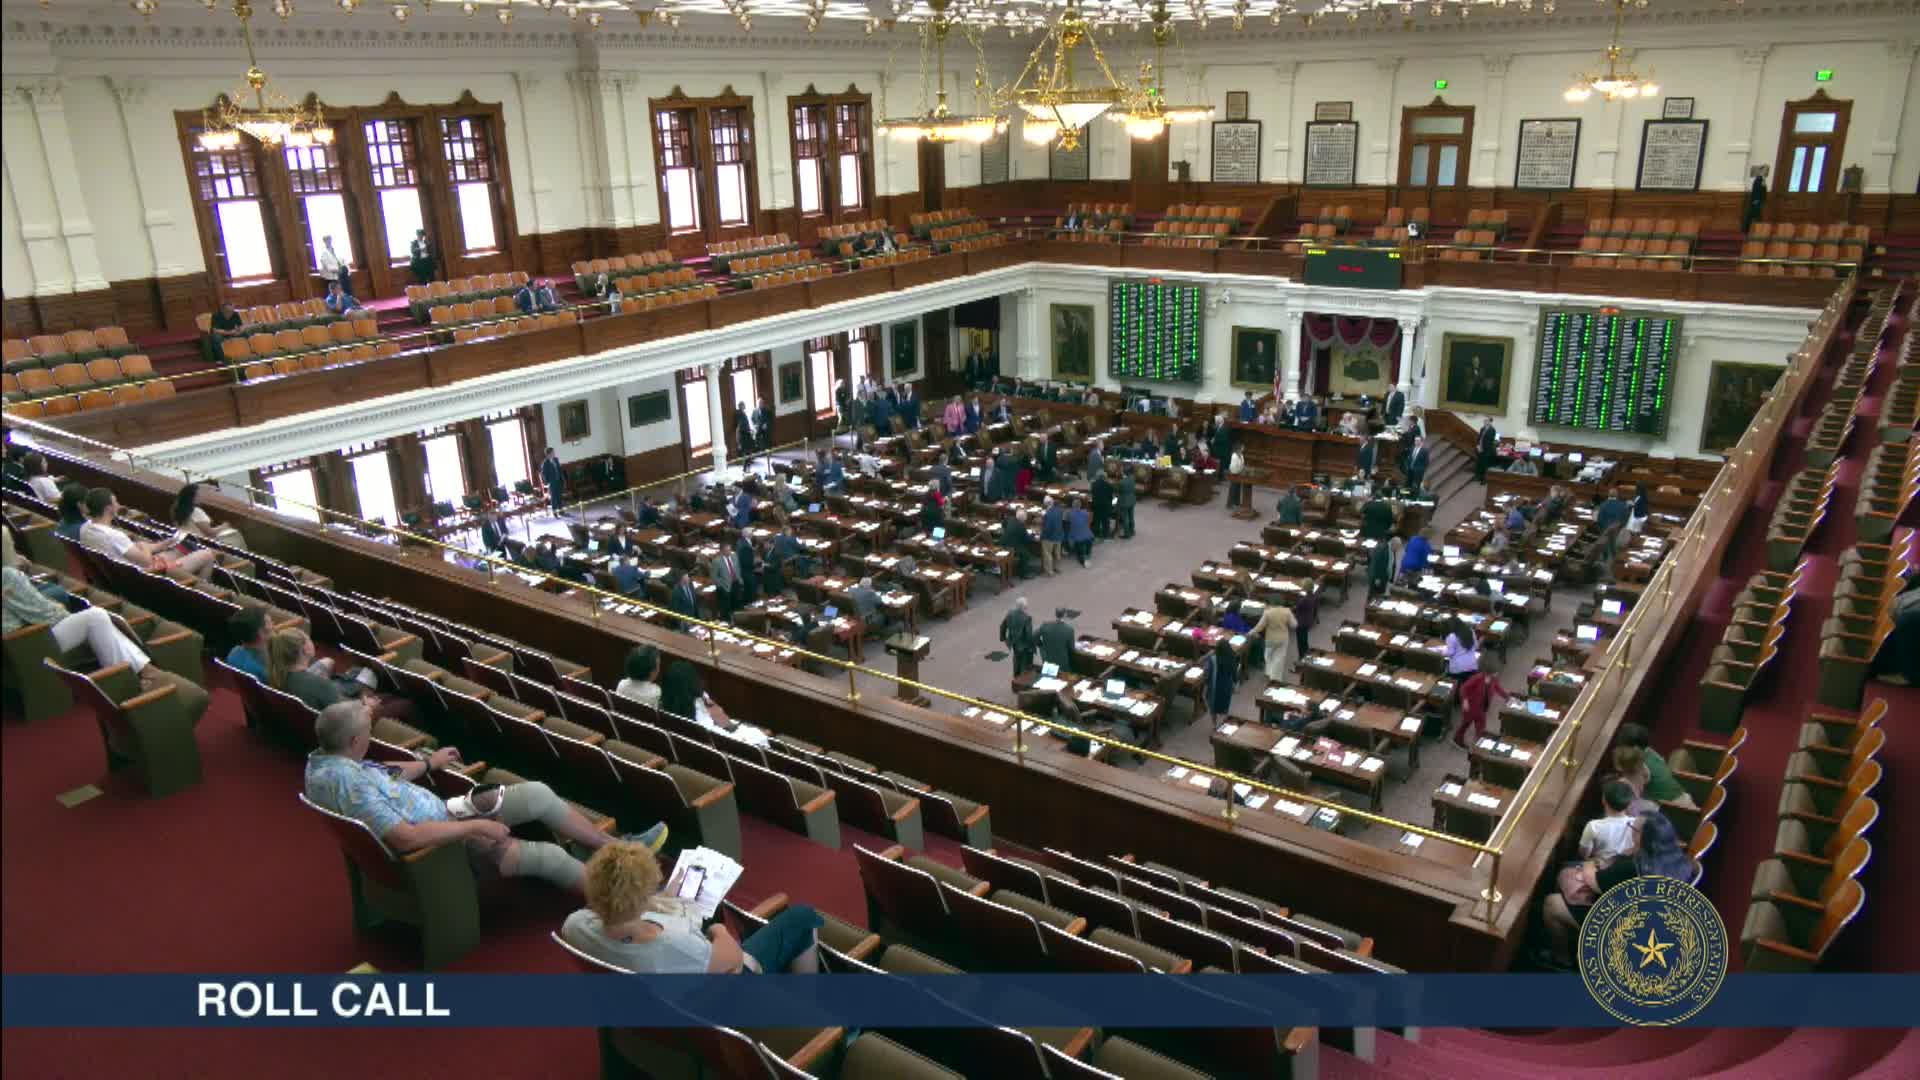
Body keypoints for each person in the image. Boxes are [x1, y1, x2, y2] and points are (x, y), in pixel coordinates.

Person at [306, 699, 664, 893]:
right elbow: (405, 838)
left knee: (538, 794)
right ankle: (627, 899)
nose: (370, 737)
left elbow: (386, 775)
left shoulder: (324, 764)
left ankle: (613, 846)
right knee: (551, 856)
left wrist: (429, 763)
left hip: (444, 813)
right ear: (354, 742)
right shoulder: (349, 784)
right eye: (367, 733)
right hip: (440, 849)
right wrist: (474, 826)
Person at [3, 529, 210, 724]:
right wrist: (56, 604)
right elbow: (49, 615)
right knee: (96, 617)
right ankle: (141, 675)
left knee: (99, 620)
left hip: (15, 642)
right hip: (26, 643)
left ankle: (143, 672)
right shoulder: (8, 576)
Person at [563, 840, 824, 974]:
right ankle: (805, 1018)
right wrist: (719, 931)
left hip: (646, 1008)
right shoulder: (674, 944)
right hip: (723, 999)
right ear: (640, 898)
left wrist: (665, 899)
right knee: (803, 917)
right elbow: (731, 959)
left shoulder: (574, 925)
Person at [1538, 809, 1691, 970]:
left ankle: (1561, 960)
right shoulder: (1675, 857)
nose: (1631, 832)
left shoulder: (1634, 867)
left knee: (1552, 904)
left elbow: (1594, 882)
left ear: (1643, 838)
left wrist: (1590, 863)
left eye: (1633, 829)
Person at [80, 488, 217, 581]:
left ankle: (189, 577)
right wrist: (144, 547)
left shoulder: (85, 528)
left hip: (125, 572)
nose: (118, 505)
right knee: (208, 554)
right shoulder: (114, 536)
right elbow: (146, 562)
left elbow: (133, 551)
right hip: (149, 576)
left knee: (180, 549)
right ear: (108, 508)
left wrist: (163, 544)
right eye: (115, 502)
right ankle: (200, 588)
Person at [659, 660, 769, 747]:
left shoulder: (663, 706)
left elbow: (724, 721)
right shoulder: (703, 725)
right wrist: (760, 735)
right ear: (692, 681)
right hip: (727, 743)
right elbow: (727, 730)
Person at [1452, 653, 1511, 748]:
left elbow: (1498, 689)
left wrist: (1508, 698)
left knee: (1481, 726)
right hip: (1471, 707)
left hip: (1483, 707)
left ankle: (1479, 744)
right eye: (1496, 672)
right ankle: (1457, 739)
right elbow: (1464, 688)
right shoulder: (1477, 678)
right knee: (1466, 724)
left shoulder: (1493, 679)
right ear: (1490, 672)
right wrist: (1465, 700)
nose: (1497, 673)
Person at [1580, 780, 1641, 864]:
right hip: (1626, 866)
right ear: (1629, 803)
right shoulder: (1637, 823)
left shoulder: (1593, 826)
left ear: (1603, 800)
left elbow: (1584, 855)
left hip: (1602, 867)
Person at [1252, 599, 1298, 683]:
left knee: (1268, 656)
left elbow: (1260, 626)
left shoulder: (1267, 612)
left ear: (1272, 603)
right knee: (1279, 658)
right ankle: (1275, 677)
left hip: (1270, 638)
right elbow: (1294, 625)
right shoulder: (1287, 611)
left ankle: (1269, 672)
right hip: (1283, 638)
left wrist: (1251, 632)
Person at [224, 605, 272, 682]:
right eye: (270, 622)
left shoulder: (233, 654)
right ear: (261, 633)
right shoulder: (267, 669)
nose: (273, 624)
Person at [1202, 638, 1237, 728]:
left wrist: (1205, 681)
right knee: (1225, 705)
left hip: (1215, 687)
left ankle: (1214, 724)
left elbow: (1207, 672)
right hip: (1227, 686)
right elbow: (1234, 672)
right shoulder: (1232, 657)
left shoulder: (1213, 659)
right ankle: (1224, 722)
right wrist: (1234, 683)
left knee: (1213, 707)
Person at [999, 596, 1037, 676]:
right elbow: (1028, 635)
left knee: (1016, 659)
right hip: (1024, 645)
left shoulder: (1010, 614)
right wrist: (1033, 646)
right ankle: (1023, 680)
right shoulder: (1027, 618)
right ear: (1024, 607)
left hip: (1014, 643)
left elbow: (1003, 626)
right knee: (1025, 664)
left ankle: (1016, 676)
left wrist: (1003, 638)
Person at [709, 543, 748, 618]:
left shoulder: (734, 556)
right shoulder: (716, 561)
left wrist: (740, 579)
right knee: (726, 608)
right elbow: (714, 577)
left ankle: (737, 621)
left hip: (736, 584)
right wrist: (722, 584)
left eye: (730, 550)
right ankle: (727, 622)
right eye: (727, 550)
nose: (729, 552)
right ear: (722, 551)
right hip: (725, 587)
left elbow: (738, 568)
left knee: (737, 604)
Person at [1037, 607, 1077, 672]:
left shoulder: (1045, 625)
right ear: (1064, 615)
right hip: (1062, 665)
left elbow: (1034, 636)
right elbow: (1071, 649)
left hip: (1048, 662)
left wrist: (1041, 645)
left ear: (1055, 614)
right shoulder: (1069, 629)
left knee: (1049, 679)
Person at [1000, 510, 1036, 578]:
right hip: (1011, 546)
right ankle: (1024, 574)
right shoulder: (1021, 526)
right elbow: (1027, 539)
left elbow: (1003, 523)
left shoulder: (1010, 518)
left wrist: (1006, 530)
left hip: (1002, 542)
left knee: (1023, 549)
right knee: (1026, 555)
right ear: (1023, 519)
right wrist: (1033, 534)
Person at [1039, 496, 1064, 576]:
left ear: (1046, 504)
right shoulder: (1059, 510)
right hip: (1059, 535)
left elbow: (1047, 528)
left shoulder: (1048, 514)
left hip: (1049, 538)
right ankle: (1057, 568)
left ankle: (1049, 572)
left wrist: (1041, 535)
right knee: (1057, 553)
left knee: (1047, 554)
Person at [1066, 499, 1094, 568]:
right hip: (1089, 536)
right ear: (1080, 505)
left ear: (1072, 506)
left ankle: (1083, 560)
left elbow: (1067, 523)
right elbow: (1089, 521)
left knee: (1079, 547)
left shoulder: (1070, 514)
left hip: (1078, 538)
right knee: (1087, 546)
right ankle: (1087, 555)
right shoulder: (1085, 513)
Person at [541, 448, 566, 515]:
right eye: (553, 452)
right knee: (554, 498)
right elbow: (543, 474)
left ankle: (561, 511)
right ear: (548, 454)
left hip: (558, 481)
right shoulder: (545, 463)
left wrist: (563, 479)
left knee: (559, 497)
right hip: (552, 483)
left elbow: (559, 469)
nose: (554, 453)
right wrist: (547, 482)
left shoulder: (556, 459)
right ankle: (555, 513)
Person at [1090, 468, 1114, 539]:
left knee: (1096, 519)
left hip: (1096, 505)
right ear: (1104, 476)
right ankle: (1105, 534)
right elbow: (1110, 496)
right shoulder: (1109, 485)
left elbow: (1092, 494)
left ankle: (1096, 533)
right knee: (1105, 520)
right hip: (1106, 506)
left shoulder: (1094, 484)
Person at [1116, 469, 1137, 540]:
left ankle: (1127, 534)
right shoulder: (1133, 479)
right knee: (1131, 516)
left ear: (1124, 473)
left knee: (1125, 518)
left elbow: (1118, 491)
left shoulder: (1121, 482)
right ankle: (1132, 531)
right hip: (1132, 500)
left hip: (1124, 502)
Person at [1475, 418, 1498, 483]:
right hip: (1480, 449)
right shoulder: (1482, 429)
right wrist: (1478, 445)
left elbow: (1489, 441)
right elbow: (1479, 438)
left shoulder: (1492, 430)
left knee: (1485, 465)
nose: (1484, 422)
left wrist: (1483, 448)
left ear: (1490, 422)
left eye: (1486, 421)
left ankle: (1484, 479)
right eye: (1484, 421)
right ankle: (1478, 477)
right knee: (1480, 463)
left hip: (1487, 450)